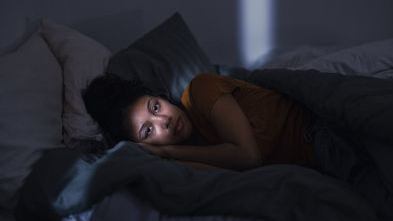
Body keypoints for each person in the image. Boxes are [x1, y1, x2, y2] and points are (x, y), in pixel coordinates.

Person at [83, 73, 319, 171]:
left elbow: (249, 157)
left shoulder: (200, 90)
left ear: (163, 98)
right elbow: (235, 178)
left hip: (322, 135)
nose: (163, 120)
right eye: (148, 129)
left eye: (155, 107)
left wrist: (167, 149)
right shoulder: (188, 156)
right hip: (315, 166)